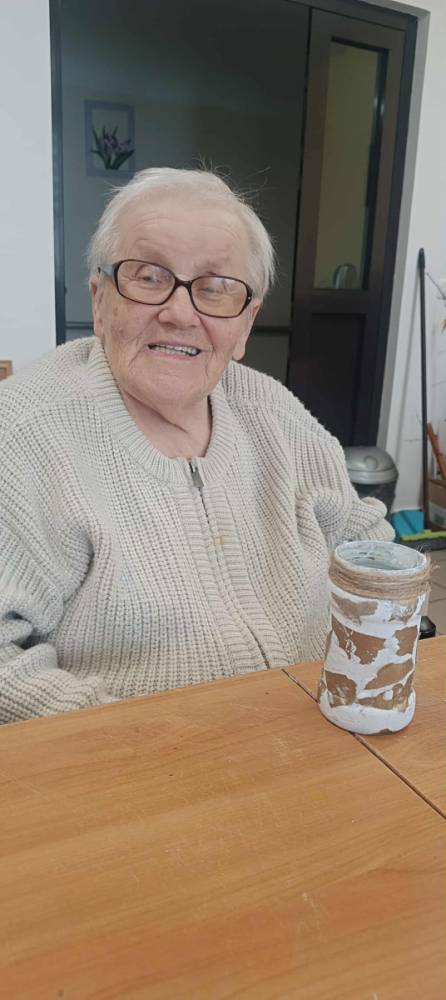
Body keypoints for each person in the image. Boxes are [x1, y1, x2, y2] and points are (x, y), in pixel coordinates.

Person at [0, 167, 393, 723]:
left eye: (215, 288)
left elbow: (365, 547)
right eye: (148, 277)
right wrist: (142, 741)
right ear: (100, 300)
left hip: (316, 734)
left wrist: (369, 676)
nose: (180, 313)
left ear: (246, 324)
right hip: (134, 757)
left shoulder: (276, 414)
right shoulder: (22, 434)